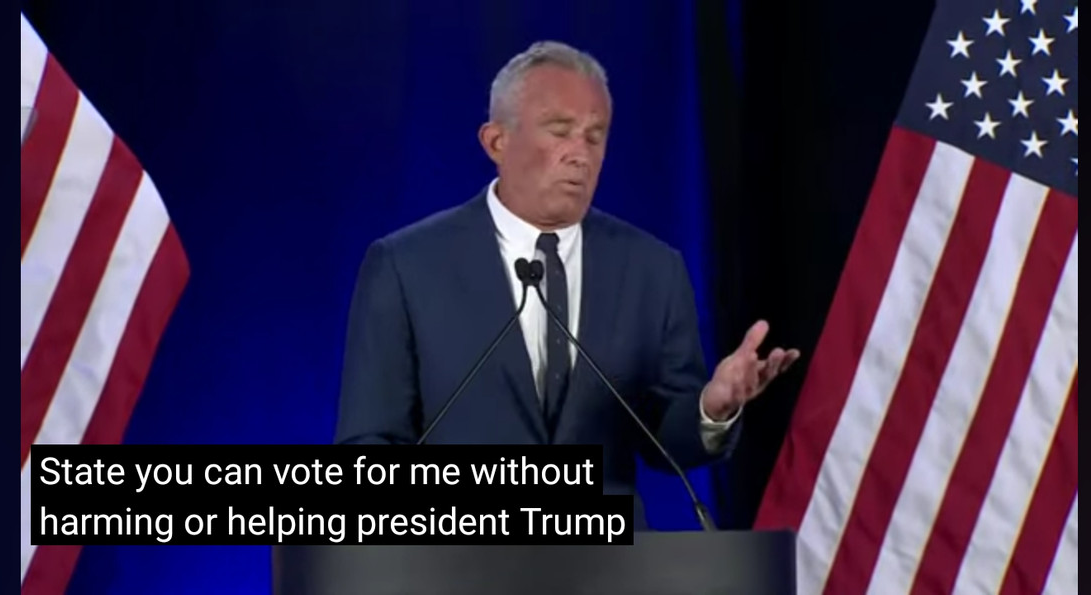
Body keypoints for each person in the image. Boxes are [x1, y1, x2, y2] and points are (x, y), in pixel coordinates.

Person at [334, 40, 800, 528]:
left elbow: (666, 438)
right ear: (496, 142)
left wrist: (712, 407)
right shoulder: (406, 266)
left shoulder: (652, 270)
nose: (580, 154)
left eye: (595, 137)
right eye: (560, 132)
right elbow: (369, 443)